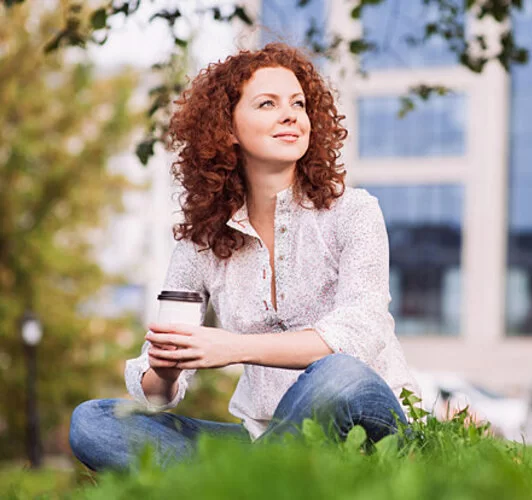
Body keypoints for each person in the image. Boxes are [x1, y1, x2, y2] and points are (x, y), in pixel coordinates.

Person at [69, 43, 420, 471]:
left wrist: (233, 348)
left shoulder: (354, 212)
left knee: (338, 373)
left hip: (365, 420)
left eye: (298, 104)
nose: (291, 115)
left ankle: (247, 481)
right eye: (268, 104)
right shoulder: (202, 241)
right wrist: (165, 369)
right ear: (227, 129)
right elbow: (157, 395)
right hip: (262, 435)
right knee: (93, 422)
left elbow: (360, 336)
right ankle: (269, 474)